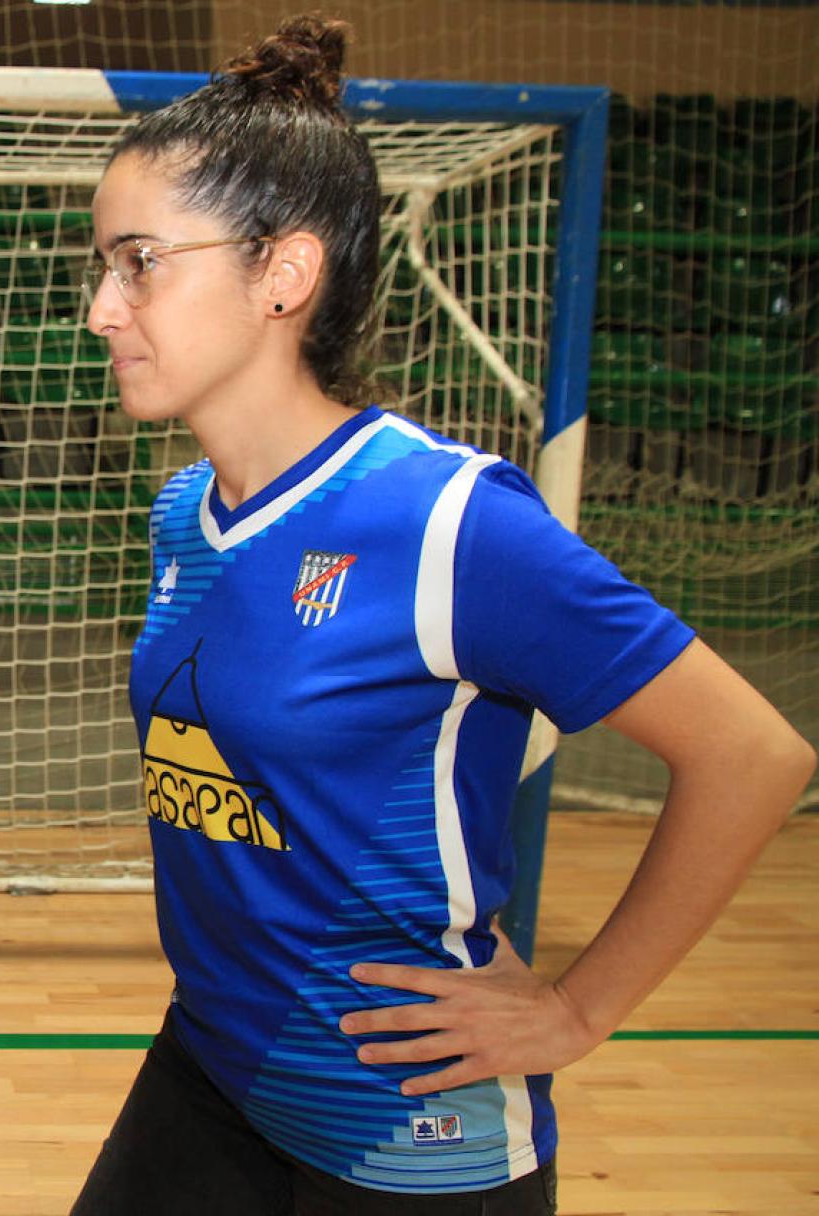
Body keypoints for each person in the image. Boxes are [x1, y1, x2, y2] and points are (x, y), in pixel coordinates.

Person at [69, 16, 813, 1214]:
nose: (104, 307)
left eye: (141, 261)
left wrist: (579, 1006)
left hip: (410, 1137)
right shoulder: (182, 516)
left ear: (285, 274)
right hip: (212, 1071)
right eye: (103, 264)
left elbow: (754, 756)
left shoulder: (453, 524)